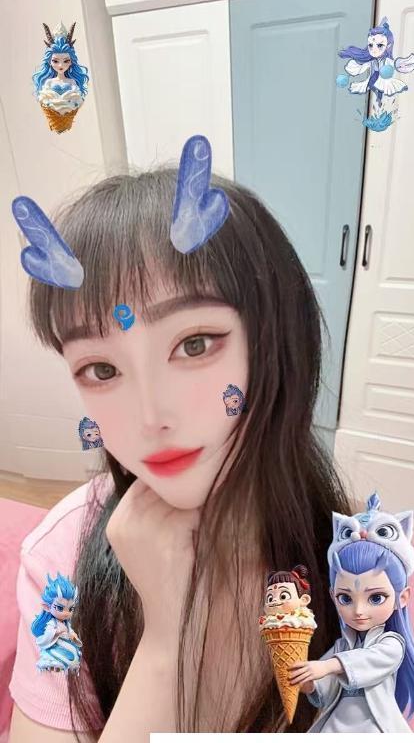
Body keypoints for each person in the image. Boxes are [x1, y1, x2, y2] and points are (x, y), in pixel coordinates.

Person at [8, 166, 353, 741]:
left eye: (194, 344)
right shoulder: (62, 556)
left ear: (276, 340)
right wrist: (165, 645)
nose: (150, 419)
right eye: (101, 369)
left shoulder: (394, 578)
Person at [289, 494, 414, 732]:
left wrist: (327, 666)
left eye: (376, 598)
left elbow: (370, 659)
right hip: (336, 723)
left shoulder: (392, 644)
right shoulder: (343, 645)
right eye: (345, 598)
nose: (359, 611)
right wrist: (309, 683)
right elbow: (325, 690)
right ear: (333, 595)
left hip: (373, 725)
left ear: (402, 597)